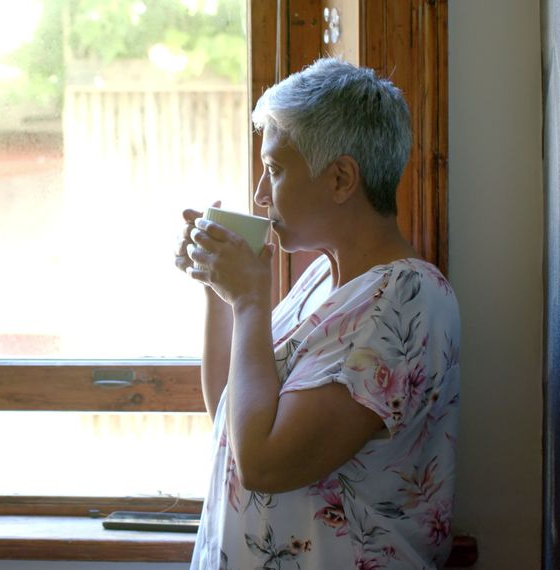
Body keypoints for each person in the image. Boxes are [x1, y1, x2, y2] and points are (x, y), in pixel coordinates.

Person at [174, 58, 461, 569]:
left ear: (341, 178)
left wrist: (250, 300)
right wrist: (221, 294)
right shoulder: (322, 282)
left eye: (275, 170)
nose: (262, 195)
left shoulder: (406, 295)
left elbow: (264, 464)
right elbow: (230, 410)